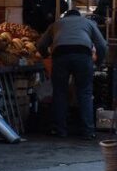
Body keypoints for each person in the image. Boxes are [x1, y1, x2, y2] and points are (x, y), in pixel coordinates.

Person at [37, 9, 107, 139]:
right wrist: (99, 62)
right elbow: (102, 44)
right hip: (82, 56)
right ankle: (88, 131)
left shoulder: (57, 24)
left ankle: (60, 130)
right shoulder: (88, 23)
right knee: (85, 93)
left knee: (59, 93)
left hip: (60, 56)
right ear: (78, 16)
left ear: (66, 16)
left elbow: (41, 44)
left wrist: (46, 55)